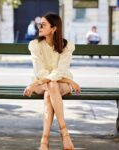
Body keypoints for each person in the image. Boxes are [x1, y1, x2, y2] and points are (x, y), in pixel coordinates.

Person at [23, 13, 81, 150]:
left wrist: (34, 84)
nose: (40, 27)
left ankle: (44, 141)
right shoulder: (35, 45)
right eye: (39, 24)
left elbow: (59, 71)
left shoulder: (66, 46)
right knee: (51, 84)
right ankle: (65, 134)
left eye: (43, 24)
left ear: (54, 28)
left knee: (51, 88)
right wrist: (70, 81)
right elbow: (40, 72)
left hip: (57, 84)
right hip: (43, 83)